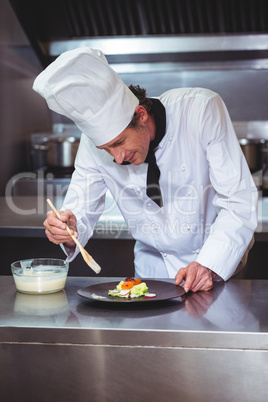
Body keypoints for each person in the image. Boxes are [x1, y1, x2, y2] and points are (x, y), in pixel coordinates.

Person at [33, 47, 258, 293]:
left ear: (140, 115)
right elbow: (79, 212)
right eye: (106, 149)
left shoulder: (200, 110)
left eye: (119, 143)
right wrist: (67, 229)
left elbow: (238, 200)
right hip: (151, 275)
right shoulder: (93, 144)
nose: (117, 159)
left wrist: (209, 264)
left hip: (216, 264)